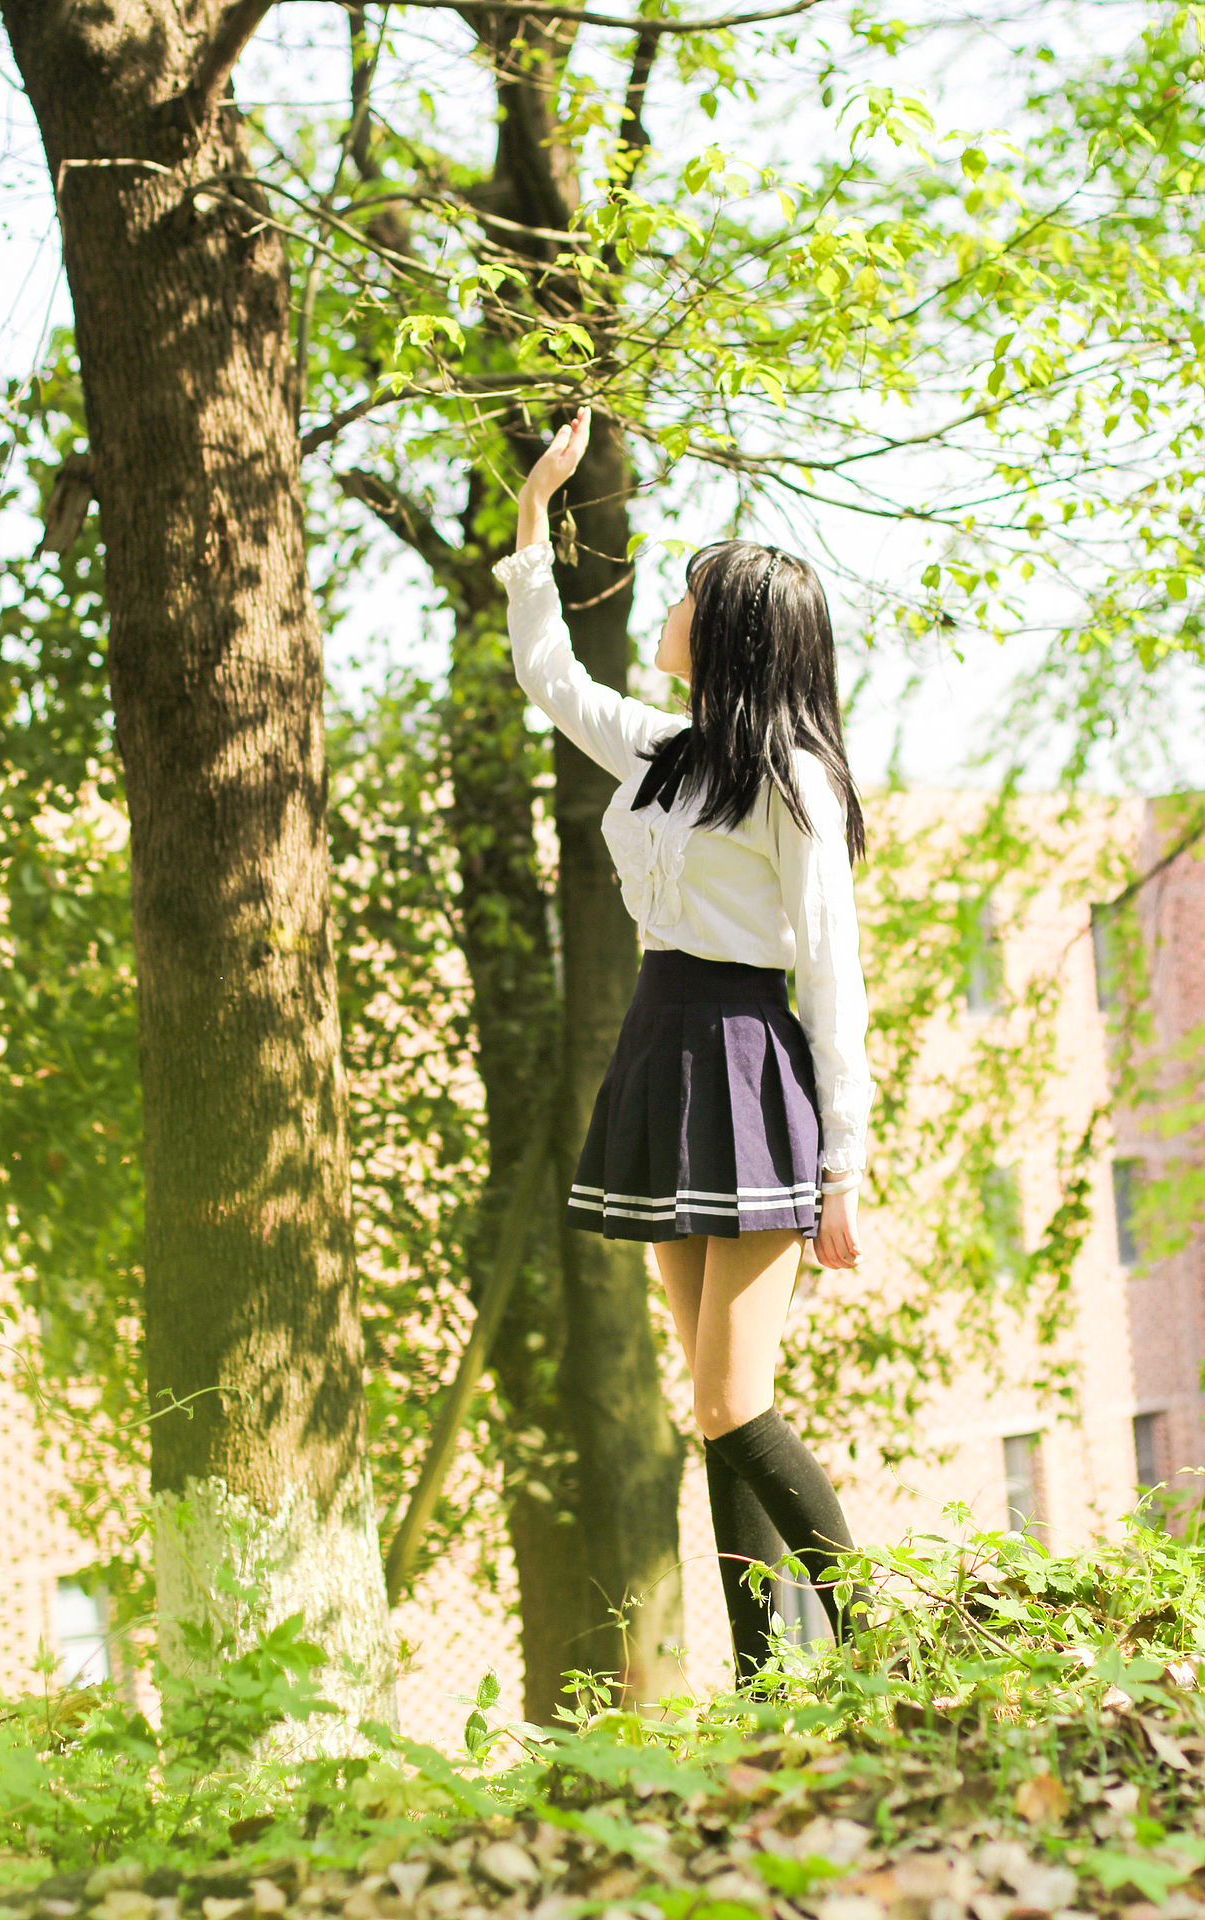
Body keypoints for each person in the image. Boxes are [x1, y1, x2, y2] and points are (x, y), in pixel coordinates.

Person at [492, 407, 875, 1679]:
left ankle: (886, 1643)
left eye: (689, 594)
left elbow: (829, 977)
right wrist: (533, 522)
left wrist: (840, 1170)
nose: (668, 608)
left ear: (732, 631)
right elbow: (551, 678)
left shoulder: (792, 783)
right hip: (663, 1050)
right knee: (714, 1412)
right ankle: (768, 1682)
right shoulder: (662, 754)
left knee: (730, 1400)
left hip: (753, 1067)